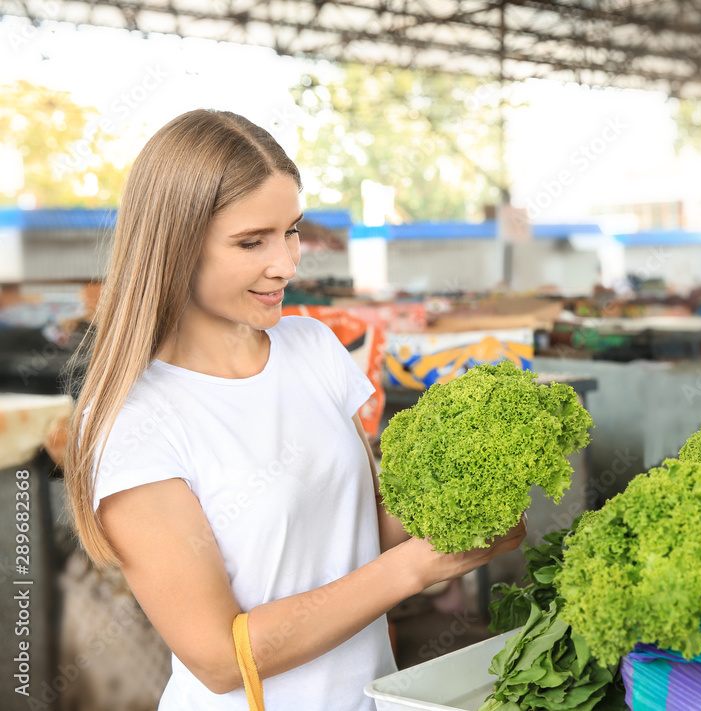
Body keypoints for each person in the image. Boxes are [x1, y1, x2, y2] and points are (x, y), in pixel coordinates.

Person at [62, 109, 526, 710]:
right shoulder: (136, 417)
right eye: (252, 241)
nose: (286, 263)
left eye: (291, 231)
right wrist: (415, 570)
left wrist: (469, 495)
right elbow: (221, 659)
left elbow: (365, 526)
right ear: (174, 247)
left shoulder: (313, 347)